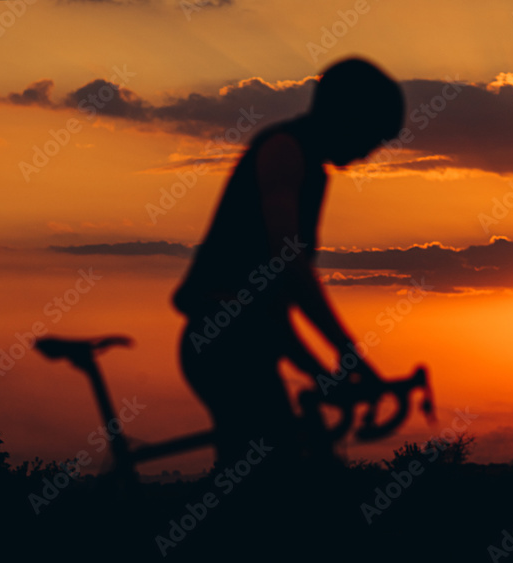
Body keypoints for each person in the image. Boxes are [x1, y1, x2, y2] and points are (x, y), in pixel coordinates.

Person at [172, 58, 405, 466]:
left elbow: (273, 305)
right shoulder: (284, 151)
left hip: (245, 336)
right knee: (277, 472)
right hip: (221, 340)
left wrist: (324, 373)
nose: (370, 152)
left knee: (277, 466)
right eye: (372, 136)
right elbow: (288, 264)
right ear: (347, 116)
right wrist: (349, 357)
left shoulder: (313, 169)